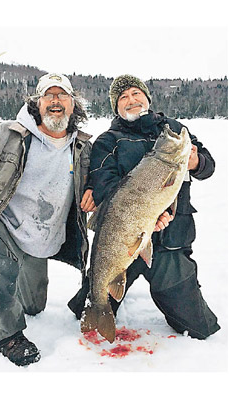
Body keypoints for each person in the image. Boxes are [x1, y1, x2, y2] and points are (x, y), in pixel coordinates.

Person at [0, 73, 96, 367]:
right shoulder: (5, 133)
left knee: (34, 306)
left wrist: (95, 193)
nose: (55, 101)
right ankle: (6, 335)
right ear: (37, 103)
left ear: (74, 104)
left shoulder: (84, 148)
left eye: (62, 95)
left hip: (40, 236)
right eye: (48, 95)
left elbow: (103, 182)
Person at [68, 74, 220, 340]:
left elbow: (207, 164)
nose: (131, 100)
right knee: (93, 299)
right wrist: (145, 216)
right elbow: (105, 184)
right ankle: (98, 305)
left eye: (136, 93)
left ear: (147, 98)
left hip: (171, 241)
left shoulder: (173, 131)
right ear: (116, 107)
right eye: (123, 97)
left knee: (199, 329)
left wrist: (195, 163)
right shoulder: (108, 140)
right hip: (123, 238)